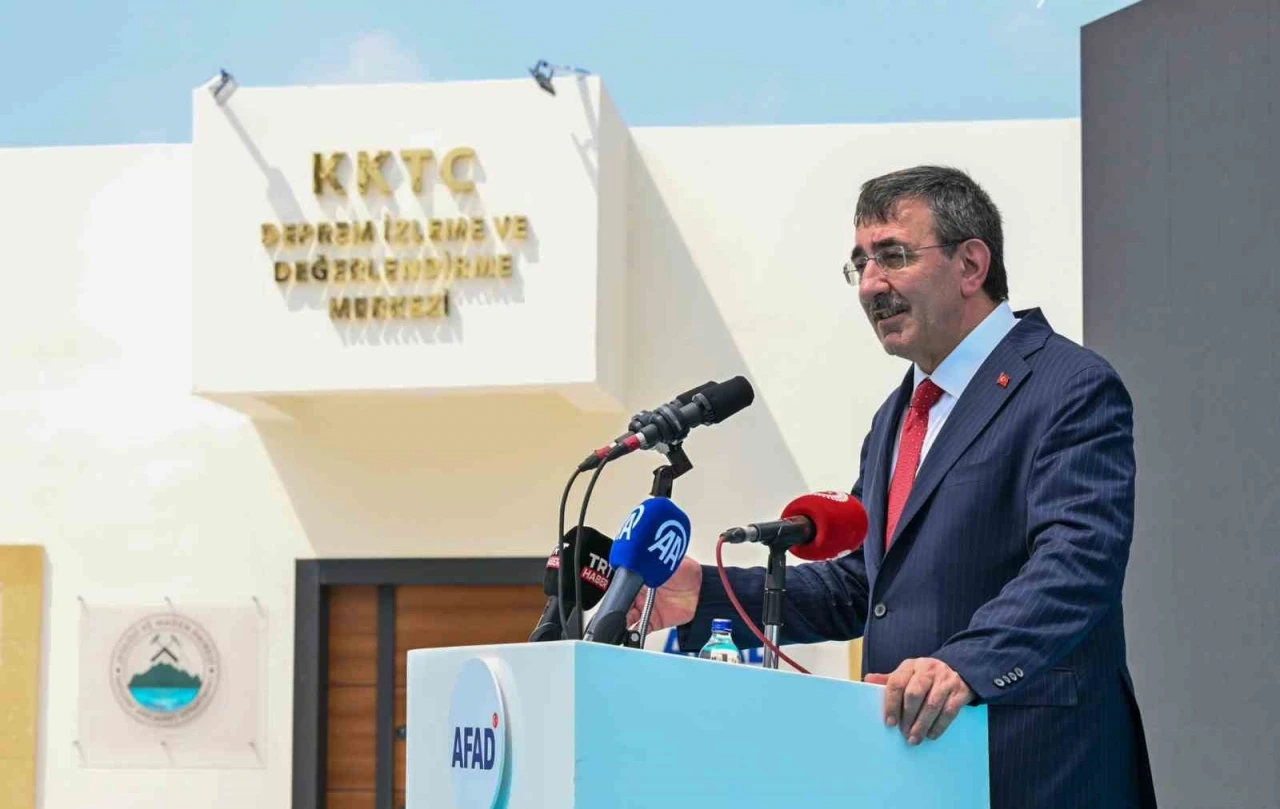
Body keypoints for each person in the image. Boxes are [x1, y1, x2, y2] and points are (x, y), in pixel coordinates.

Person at [632, 166, 1157, 808]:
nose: (871, 285)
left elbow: (1077, 561)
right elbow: (864, 584)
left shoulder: (1068, 385)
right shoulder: (898, 415)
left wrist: (965, 663)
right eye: (860, 264)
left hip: (1037, 766)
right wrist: (706, 595)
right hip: (917, 771)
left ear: (971, 265)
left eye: (894, 256)